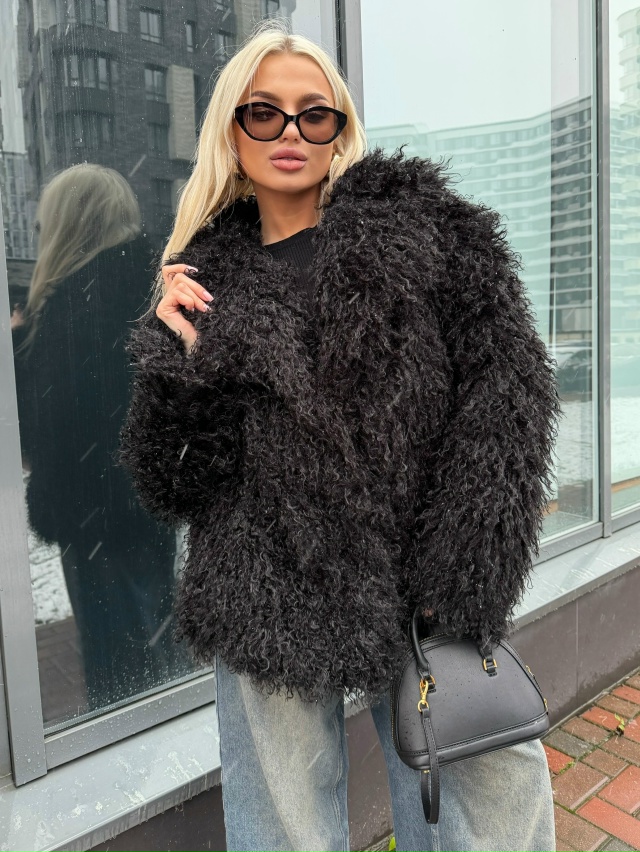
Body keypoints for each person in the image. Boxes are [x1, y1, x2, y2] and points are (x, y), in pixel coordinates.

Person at [119, 21, 559, 852]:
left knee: (492, 805)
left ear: (339, 129)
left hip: (424, 572)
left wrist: (464, 567)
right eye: (264, 112)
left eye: (313, 113)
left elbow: (510, 389)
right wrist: (179, 362)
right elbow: (172, 483)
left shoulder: (426, 227)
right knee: (283, 829)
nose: (289, 131)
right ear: (232, 131)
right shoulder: (203, 284)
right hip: (265, 578)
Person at [12, 164, 185, 712]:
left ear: (70, 224)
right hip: (136, 507)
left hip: (95, 515)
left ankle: (138, 747)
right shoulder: (142, 291)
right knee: (154, 643)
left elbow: (53, 421)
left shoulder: (77, 309)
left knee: (119, 670)